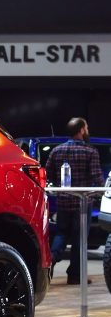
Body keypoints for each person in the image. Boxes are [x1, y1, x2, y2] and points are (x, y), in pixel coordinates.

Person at [45, 117, 103, 284]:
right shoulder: (90, 152)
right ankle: (75, 276)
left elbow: (48, 176)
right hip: (82, 204)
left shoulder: (57, 151)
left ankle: (49, 264)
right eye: (86, 127)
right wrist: (100, 193)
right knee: (79, 240)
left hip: (63, 202)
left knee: (61, 235)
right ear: (81, 131)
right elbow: (97, 179)